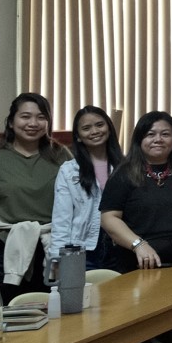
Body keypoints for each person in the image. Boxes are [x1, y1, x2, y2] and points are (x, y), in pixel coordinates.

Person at [0, 93, 70, 303]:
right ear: (11, 122)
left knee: (51, 311)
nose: (33, 123)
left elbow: (78, 200)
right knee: (5, 313)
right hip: (1, 247)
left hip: (51, 244)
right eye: (25, 116)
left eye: (41, 117)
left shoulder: (61, 155)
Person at [99, 112, 172, 273]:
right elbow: (109, 218)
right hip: (136, 262)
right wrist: (139, 245)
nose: (158, 139)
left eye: (165, 134)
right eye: (150, 134)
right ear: (139, 139)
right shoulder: (124, 174)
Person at [51, 106, 123, 271]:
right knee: (85, 296)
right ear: (78, 137)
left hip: (119, 246)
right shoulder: (69, 170)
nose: (94, 131)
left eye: (99, 125)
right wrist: (57, 256)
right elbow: (62, 218)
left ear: (109, 128)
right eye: (86, 128)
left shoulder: (125, 165)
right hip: (83, 249)